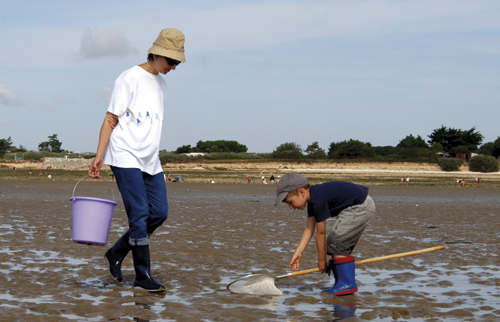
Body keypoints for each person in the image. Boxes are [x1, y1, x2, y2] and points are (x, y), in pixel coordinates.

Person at [88, 28, 186, 293]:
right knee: (140, 214)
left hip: (150, 160)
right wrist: (100, 156)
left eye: (177, 62)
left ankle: (117, 251)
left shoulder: (162, 84)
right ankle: (143, 276)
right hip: (125, 155)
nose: (173, 67)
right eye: (171, 61)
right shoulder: (129, 78)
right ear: (155, 54)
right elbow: (111, 119)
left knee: (159, 212)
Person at [274, 173, 375, 296]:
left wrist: (321, 260)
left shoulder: (318, 199)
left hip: (360, 206)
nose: (290, 207)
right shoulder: (312, 200)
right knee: (337, 243)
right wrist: (298, 252)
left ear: (301, 192)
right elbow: (309, 229)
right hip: (358, 205)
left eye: (290, 202)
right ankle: (341, 282)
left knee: (337, 241)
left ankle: (347, 284)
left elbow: (321, 233)